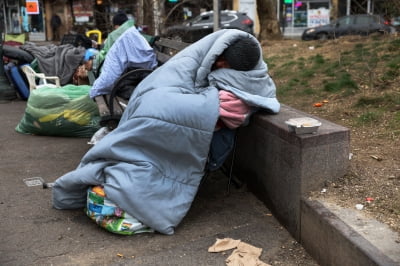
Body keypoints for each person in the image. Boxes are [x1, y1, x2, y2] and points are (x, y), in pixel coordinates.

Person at [52, 29, 280, 235]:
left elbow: (224, 105)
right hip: (163, 98)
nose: (220, 66)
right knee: (146, 130)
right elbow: (173, 80)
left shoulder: (244, 76)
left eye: (225, 66)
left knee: (150, 138)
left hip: (190, 128)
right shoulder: (207, 59)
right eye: (219, 62)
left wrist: (204, 104)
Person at [88, 13, 157, 99]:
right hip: (143, 70)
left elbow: (109, 60)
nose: (114, 29)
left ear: (117, 25)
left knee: (118, 85)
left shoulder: (117, 36)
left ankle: (140, 98)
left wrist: (94, 91)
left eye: (114, 26)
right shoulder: (133, 31)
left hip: (137, 72)